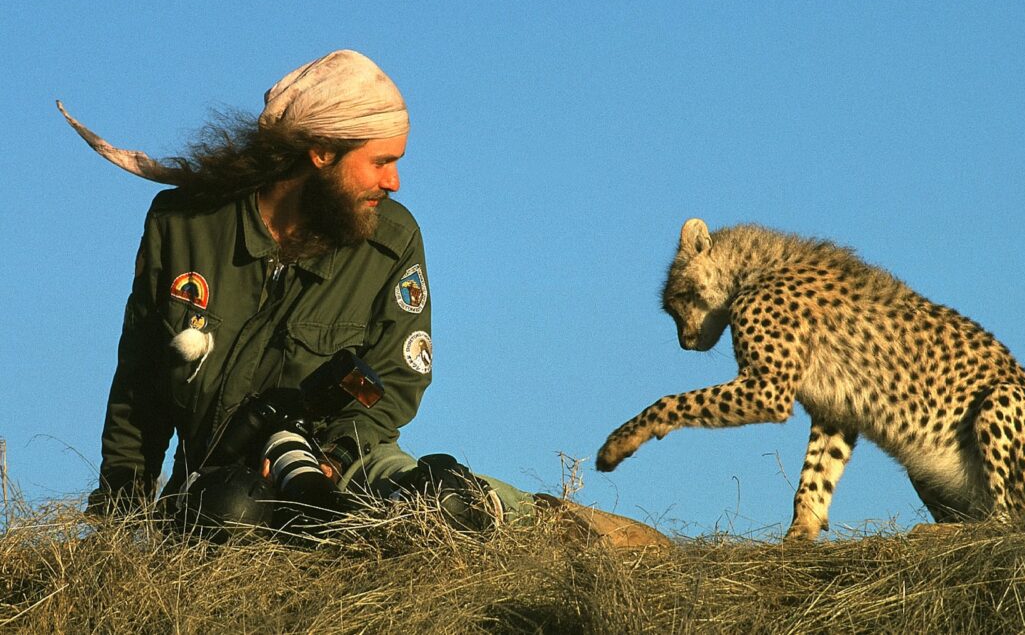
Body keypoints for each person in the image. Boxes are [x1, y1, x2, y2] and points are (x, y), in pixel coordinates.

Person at [60, 50, 667, 547]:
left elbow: (399, 379)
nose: (393, 181)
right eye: (380, 162)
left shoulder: (393, 239)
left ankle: (563, 531)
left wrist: (329, 454)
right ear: (321, 152)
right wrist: (120, 509)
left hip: (346, 463)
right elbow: (140, 380)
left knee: (444, 503)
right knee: (230, 515)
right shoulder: (182, 224)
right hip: (221, 483)